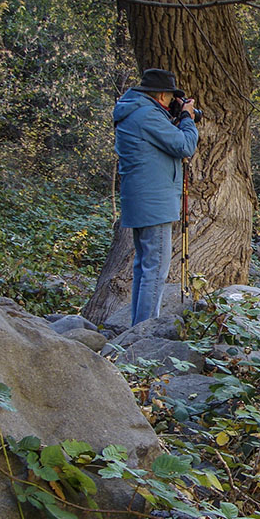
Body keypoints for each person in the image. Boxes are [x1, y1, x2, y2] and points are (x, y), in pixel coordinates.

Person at [113, 68, 199, 326]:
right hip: (155, 202)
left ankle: (137, 327)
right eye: (172, 97)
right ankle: (145, 334)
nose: (173, 102)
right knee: (155, 269)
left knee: (144, 266)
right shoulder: (147, 115)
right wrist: (187, 118)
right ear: (162, 94)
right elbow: (185, 145)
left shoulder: (134, 112)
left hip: (141, 199)